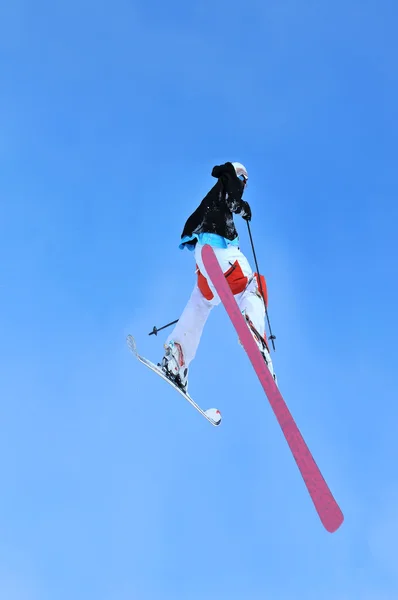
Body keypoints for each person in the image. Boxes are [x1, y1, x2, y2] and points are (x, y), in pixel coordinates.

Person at [161, 161, 277, 391]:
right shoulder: (230, 180)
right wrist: (244, 208)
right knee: (253, 285)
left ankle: (177, 356)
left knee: (201, 301)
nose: (244, 184)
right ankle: (253, 335)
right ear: (238, 175)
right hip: (221, 252)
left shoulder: (213, 193)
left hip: (203, 259)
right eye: (244, 179)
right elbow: (232, 202)